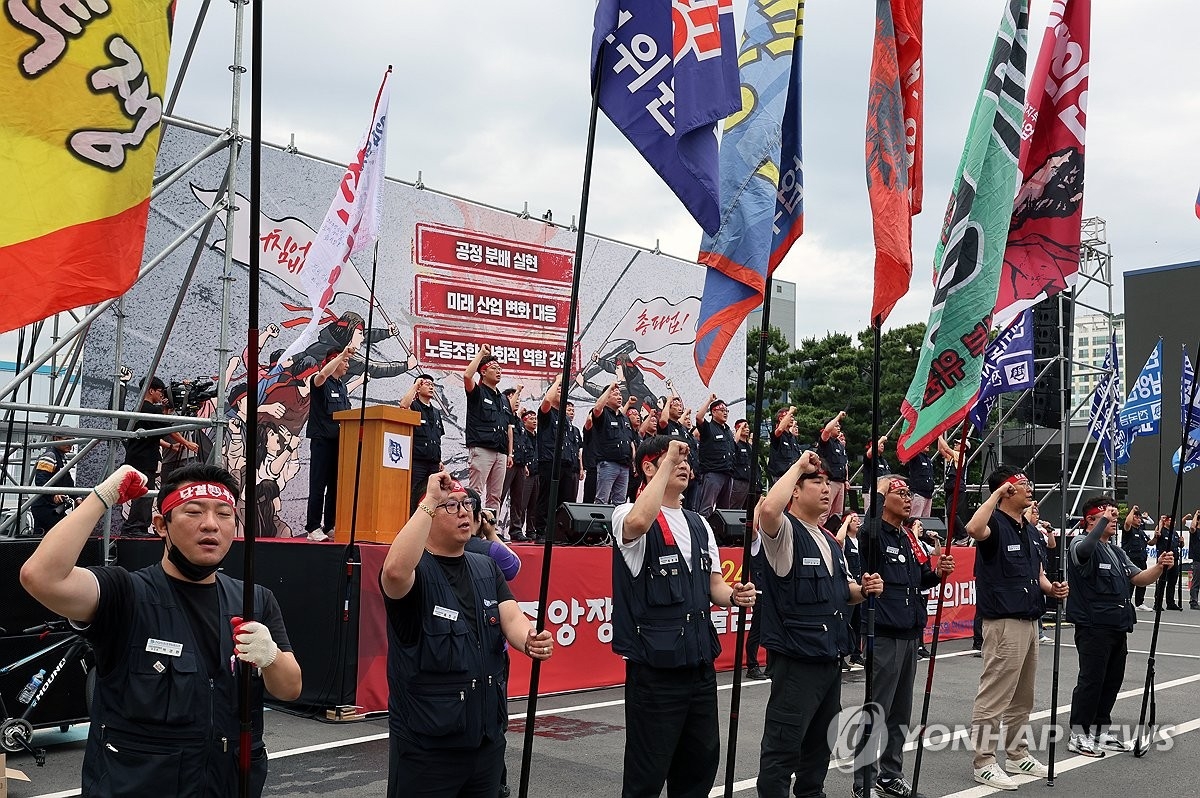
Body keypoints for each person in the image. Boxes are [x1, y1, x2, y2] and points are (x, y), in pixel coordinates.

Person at [19, 463, 302, 797]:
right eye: (193, 512)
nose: (210, 524)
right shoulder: (126, 593)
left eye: (224, 514)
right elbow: (41, 577)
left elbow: (290, 689)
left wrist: (270, 657)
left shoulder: (254, 599)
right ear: (160, 525)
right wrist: (101, 497)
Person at [380, 473, 553, 797]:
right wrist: (431, 498)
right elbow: (394, 572)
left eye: (466, 504)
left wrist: (530, 638)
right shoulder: (415, 574)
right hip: (428, 748)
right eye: (451, 506)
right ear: (427, 513)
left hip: (485, 740)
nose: (464, 512)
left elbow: (511, 614)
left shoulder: (485, 567)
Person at [611, 437, 756, 797]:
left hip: (699, 663)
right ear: (648, 467)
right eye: (673, 458)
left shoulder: (699, 524)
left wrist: (734, 596)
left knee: (700, 763)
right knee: (648, 771)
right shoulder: (626, 513)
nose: (683, 463)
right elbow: (639, 522)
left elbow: (714, 586)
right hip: (656, 669)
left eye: (686, 458)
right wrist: (666, 461)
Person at [755, 450, 883, 798]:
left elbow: (844, 593)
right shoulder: (785, 533)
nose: (826, 489)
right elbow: (767, 511)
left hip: (830, 659)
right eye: (817, 482)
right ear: (795, 491)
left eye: (828, 483)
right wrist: (798, 465)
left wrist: (864, 589)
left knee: (818, 751)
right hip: (797, 661)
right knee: (783, 750)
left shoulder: (830, 541)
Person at [965, 466, 1068, 790]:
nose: (1029, 488)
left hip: (1030, 620)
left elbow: (1036, 573)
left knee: (1023, 697)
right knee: (994, 695)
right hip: (1003, 623)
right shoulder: (994, 523)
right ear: (1006, 490)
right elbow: (972, 527)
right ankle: (983, 760)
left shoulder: (1032, 531)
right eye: (1021, 484)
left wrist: (1051, 588)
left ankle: (1017, 752)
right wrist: (995, 494)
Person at [854, 477, 954, 798]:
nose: (909, 499)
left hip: (910, 633)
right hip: (884, 634)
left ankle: (890, 773)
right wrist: (880, 490)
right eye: (901, 494)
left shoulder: (907, 536)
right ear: (885, 500)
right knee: (877, 709)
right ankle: (864, 780)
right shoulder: (875, 534)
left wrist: (937, 573)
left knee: (900, 712)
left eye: (910, 494)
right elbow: (867, 529)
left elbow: (918, 579)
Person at [1065, 495, 1173, 758]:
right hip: (1093, 626)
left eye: (1113, 516)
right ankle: (1079, 733)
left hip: (1117, 625)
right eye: (1107, 516)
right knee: (1091, 680)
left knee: (1112, 680)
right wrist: (1102, 521)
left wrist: (1159, 566)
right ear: (1091, 520)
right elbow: (1084, 552)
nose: (1113, 520)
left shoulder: (1116, 551)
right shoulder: (1080, 542)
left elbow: (1138, 578)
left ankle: (1100, 729)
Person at [121, 375, 199, 536]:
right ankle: (135, 527)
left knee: (144, 493)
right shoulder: (150, 410)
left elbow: (153, 434)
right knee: (143, 494)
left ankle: (139, 527)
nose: (162, 396)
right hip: (143, 459)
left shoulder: (140, 408)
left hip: (138, 457)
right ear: (151, 391)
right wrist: (187, 443)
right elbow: (168, 429)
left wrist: (171, 445)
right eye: (160, 392)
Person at [304, 345, 356, 540]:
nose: (347, 364)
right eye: (345, 361)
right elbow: (322, 375)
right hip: (322, 440)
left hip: (340, 441)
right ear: (335, 360)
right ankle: (313, 527)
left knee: (335, 486)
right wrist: (341, 354)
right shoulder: (320, 382)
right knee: (318, 485)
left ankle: (329, 525)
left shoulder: (341, 386)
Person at [463, 344, 513, 514]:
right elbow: (467, 375)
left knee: (495, 495)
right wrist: (482, 354)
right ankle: (473, 530)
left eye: (500, 368)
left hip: (500, 452)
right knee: (475, 492)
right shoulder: (478, 392)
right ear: (483, 372)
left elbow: (508, 427)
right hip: (482, 449)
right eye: (494, 368)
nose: (499, 371)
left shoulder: (504, 400)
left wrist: (509, 452)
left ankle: (492, 530)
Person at [535, 378, 584, 542]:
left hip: (567, 464)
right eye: (558, 389)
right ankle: (542, 532)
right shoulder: (547, 413)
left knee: (565, 501)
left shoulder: (567, 420)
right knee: (546, 498)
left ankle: (560, 532)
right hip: (550, 462)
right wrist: (557, 381)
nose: (560, 391)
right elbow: (547, 400)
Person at [400, 373, 445, 515]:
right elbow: (403, 406)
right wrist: (415, 384)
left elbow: (437, 438)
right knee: (414, 495)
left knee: (433, 496)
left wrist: (440, 459)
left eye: (432, 385)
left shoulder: (437, 413)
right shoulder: (413, 406)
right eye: (427, 384)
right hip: (417, 461)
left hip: (433, 462)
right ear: (418, 388)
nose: (431, 387)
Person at [590, 382, 637, 505]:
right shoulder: (603, 414)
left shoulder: (624, 418)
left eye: (620, 395)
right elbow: (596, 409)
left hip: (625, 466)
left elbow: (630, 441)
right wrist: (610, 387)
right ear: (606, 399)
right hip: (608, 464)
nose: (619, 397)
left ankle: (615, 524)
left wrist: (633, 462)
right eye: (615, 394)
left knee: (620, 502)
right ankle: (599, 524)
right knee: (602, 500)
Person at [695, 395, 736, 517]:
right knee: (707, 507)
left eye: (726, 411)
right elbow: (698, 417)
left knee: (724, 511)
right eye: (722, 410)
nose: (725, 413)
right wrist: (709, 401)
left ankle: (720, 535)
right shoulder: (708, 428)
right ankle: (704, 532)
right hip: (713, 473)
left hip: (728, 474)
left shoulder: (727, 431)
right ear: (713, 412)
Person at [30, 436, 75, 535]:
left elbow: (68, 483)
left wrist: (77, 497)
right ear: (56, 439)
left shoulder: (62, 458)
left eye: (72, 440)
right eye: (67, 439)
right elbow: (40, 480)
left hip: (52, 507)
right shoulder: (50, 456)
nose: (70, 443)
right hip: (45, 507)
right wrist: (53, 496)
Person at [507, 410, 539, 541]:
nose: (535, 421)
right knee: (521, 503)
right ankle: (517, 529)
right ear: (524, 421)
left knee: (534, 505)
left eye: (535, 418)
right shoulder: (522, 434)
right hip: (526, 471)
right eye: (531, 418)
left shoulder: (538, 437)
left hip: (536, 472)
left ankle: (531, 530)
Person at [1120, 504, 1156, 610]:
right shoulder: (1129, 530)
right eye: (1137, 517)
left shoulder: (1141, 531)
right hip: (1131, 560)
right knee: (1130, 583)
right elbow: (1127, 523)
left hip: (1141, 559)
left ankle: (1140, 603)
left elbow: (1150, 543)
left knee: (1143, 581)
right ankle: (1127, 601)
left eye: (1140, 518)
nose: (1139, 520)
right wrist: (1133, 510)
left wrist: (1156, 537)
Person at [816, 411, 850, 517]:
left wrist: (846, 480)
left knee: (837, 514)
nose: (838, 427)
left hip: (840, 482)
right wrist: (838, 416)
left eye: (839, 426)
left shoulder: (839, 444)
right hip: (830, 482)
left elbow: (844, 463)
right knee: (825, 512)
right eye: (836, 425)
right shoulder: (826, 441)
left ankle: (832, 533)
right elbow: (826, 431)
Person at [766, 406, 801, 485]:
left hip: (794, 477)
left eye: (793, 417)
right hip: (781, 477)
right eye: (789, 416)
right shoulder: (777, 435)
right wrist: (791, 410)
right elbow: (780, 429)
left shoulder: (792, 438)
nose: (792, 419)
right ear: (781, 419)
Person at [1156, 515, 1183, 610]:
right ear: (1166, 522)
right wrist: (1160, 522)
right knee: (1162, 582)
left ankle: (1170, 603)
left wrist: (1181, 542)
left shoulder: (1174, 533)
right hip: (1165, 560)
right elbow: (1157, 534)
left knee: (1172, 582)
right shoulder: (1162, 531)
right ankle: (1158, 603)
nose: (1173, 522)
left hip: (1174, 560)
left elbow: (1179, 546)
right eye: (1170, 520)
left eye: (1174, 521)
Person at [905, 441, 936, 519]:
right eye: (925, 442)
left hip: (928, 494)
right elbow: (910, 449)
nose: (928, 445)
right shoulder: (916, 457)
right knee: (915, 518)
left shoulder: (928, 460)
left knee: (926, 520)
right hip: (918, 493)